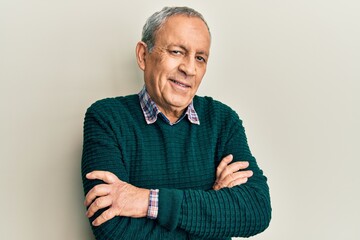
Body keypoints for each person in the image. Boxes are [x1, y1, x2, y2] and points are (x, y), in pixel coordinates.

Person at [81, 6, 271, 240]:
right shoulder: (106, 118)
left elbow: (257, 209)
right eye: (177, 52)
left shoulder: (223, 121)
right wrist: (213, 208)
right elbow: (113, 232)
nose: (189, 69)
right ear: (143, 55)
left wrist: (146, 201)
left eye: (200, 58)